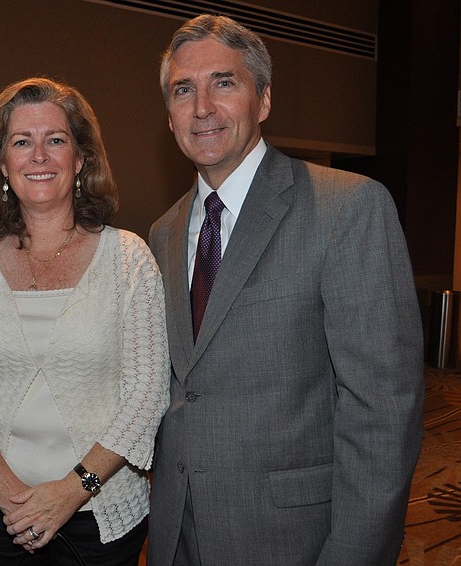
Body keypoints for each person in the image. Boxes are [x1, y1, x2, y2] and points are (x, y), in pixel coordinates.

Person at [147, 14, 424, 565]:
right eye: (184, 89)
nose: (202, 106)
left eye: (223, 82)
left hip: (294, 540)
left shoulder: (347, 207)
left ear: (264, 100)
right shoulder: (162, 232)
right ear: (170, 114)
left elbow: (383, 412)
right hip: (179, 534)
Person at [0, 77, 169, 565]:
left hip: (102, 517)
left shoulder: (129, 259)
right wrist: (10, 492)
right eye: (22, 142)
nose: (39, 155)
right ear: (2, 163)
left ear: (81, 159)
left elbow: (147, 392)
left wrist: (71, 491)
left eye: (55, 140)